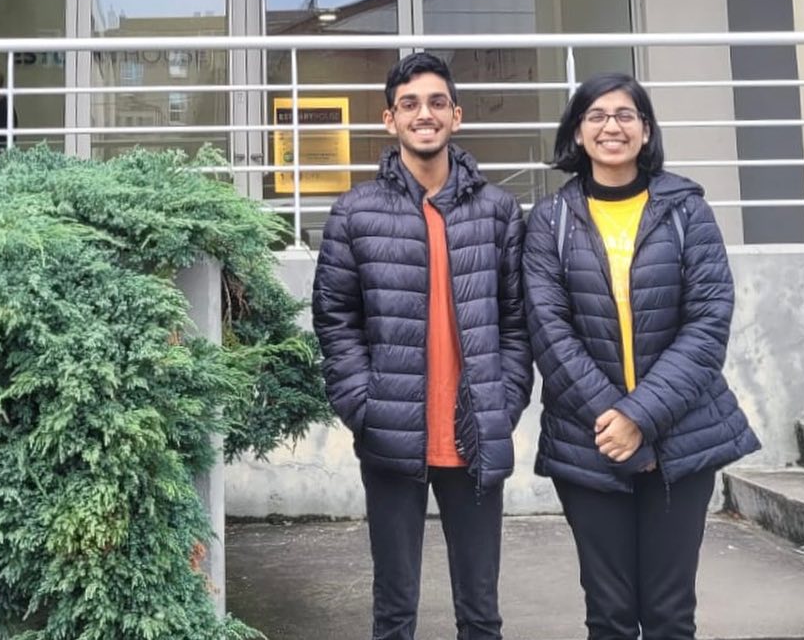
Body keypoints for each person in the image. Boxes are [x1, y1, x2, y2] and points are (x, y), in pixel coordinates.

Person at [523, 73, 760, 640]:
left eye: (626, 115)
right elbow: (548, 331)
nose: (612, 126)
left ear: (646, 130)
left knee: (669, 615)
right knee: (608, 615)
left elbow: (707, 324)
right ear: (577, 132)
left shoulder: (686, 210)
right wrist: (617, 424)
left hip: (682, 440)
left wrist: (641, 418)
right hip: (589, 440)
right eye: (597, 115)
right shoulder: (549, 222)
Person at [312, 51, 532, 640]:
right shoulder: (354, 212)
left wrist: (504, 403)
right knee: (393, 611)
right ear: (390, 120)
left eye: (437, 103)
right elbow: (335, 322)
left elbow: (516, 322)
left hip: (475, 435)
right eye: (409, 104)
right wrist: (364, 405)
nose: (424, 114)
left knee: (482, 615)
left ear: (456, 115)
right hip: (391, 434)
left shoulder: (498, 211)